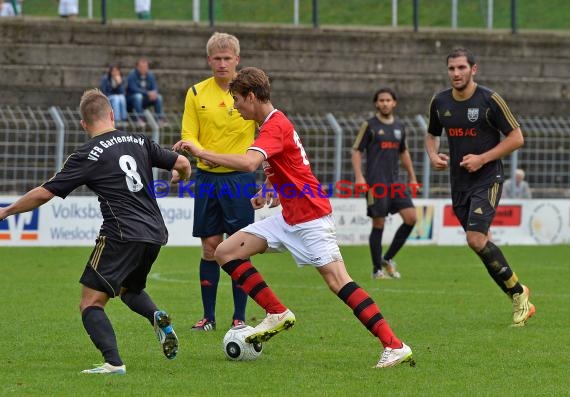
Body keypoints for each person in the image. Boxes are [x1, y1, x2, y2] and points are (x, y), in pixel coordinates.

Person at [173, 67, 415, 368]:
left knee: (339, 281)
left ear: (251, 96)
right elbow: (289, 163)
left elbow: (249, 163)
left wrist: (201, 152)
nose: (235, 106)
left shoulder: (275, 125)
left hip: (311, 217)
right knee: (225, 251)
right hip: (288, 217)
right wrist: (268, 188)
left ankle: (394, 344)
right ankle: (276, 312)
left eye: (237, 99)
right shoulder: (272, 124)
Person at [0, 89, 191, 374]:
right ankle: (155, 315)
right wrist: (180, 177)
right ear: (111, 114)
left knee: (90, 302)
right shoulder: (139, 140)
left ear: (82, 124)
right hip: (154, 233)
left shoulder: (87, 153)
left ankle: (113, 363)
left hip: (121, 233)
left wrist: (5, 211)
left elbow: (45, 193)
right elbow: (183, 163)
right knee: (130, 289)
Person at [425, 47, 536, 327]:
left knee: (475, 239)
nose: (456, 73)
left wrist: (482, 159)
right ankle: (519, 293)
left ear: (473, 69)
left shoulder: (489, 100)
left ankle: (518, 295)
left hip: (488, 178)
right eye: (451, 69)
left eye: (461, 67)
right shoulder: (440, 102)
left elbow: (517, 137)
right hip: (459, 182)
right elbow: (431, 135)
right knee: (480, 243)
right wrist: (432, 155)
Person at [180, 32, 256, 332]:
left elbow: (267, 134)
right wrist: (199, 153)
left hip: (239, 179)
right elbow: (188, 133)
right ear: (209, 60)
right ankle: (208, 317)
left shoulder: (251, 93)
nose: (222, 63)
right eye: (217, 58)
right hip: (207, 179)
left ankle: (239, 317)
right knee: (210, 246)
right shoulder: (196, 93)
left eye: (227, 58)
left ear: (237, 59)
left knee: (239, 247)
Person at [352, 88, 418, 280]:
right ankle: (376, 270)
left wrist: (412, 177)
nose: (385, 103)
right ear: (376, 103)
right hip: (375, 184)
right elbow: (357, 151)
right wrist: (359, 177)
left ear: (394, 103)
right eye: (381, 100)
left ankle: (387, 258)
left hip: (396, 183)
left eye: (388, 100)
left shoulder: (400, 126)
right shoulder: (370, 125)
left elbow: (403, 152)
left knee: (411, 218)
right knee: (378, 223)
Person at [126, 58, 165, 127]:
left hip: (146, 99)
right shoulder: (132, 75)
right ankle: (140, 119)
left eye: (145, 67)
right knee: (138, 96)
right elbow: (133, 88)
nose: (144, 69)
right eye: (141, 67)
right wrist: (147, 93)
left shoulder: (150, 75)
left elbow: (154, 87)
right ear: (137, 67)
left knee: (158, 97)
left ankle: (160, 119)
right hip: (132, 99)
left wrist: (154, 93)